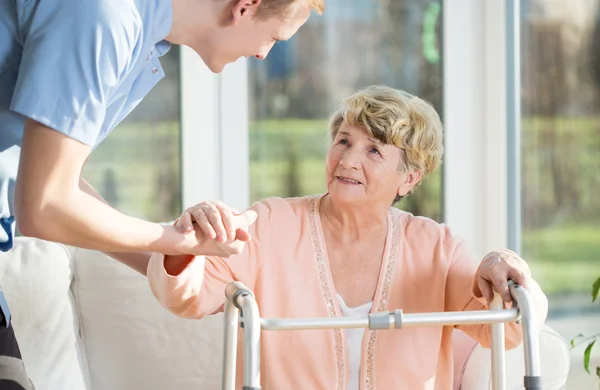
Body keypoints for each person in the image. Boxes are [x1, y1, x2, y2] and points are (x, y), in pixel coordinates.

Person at [0, 0, 324, 388]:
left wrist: (175, 258)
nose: (262, 54)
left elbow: (43, 177)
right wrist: (174, 238)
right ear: (245, 7)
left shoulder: (143, 42)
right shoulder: (105, 16)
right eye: (273, 37)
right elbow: (44, 206)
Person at [147, 85, 549, 390]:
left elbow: (510, 328)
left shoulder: (434, 247)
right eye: (343, 140)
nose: (348, 160)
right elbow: (186, 296)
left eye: (374, 151)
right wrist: (187, 244)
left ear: (408, 178)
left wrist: (505, 267)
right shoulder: (272, 224)